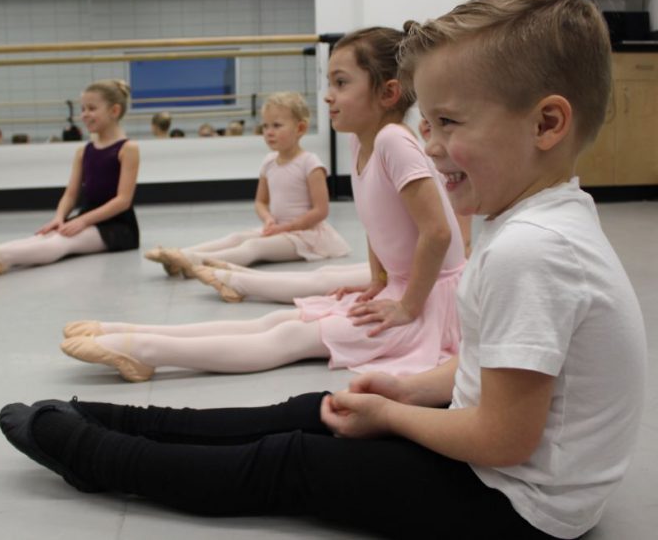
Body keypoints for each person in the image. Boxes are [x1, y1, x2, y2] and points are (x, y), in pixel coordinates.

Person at [0, 0, 646, 539]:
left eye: (450, 123)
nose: (433, 145)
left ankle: (97, 453)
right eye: (429, 123)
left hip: (519, 507)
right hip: (504, 466)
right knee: (312, 410)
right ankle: (112, 418)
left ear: (545, 124)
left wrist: (394, 414)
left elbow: (505, 438)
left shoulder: (532, 250)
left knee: (291, 461)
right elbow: (489, 370)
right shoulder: (531, 220)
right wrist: (407, 388)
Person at [63, 29, 464, 380]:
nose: (328, 95)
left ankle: (144, 352)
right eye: (329, 82)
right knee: (278, 318)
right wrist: (378, 280)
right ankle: (127, 330)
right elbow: (381, 224)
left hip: (431, 304)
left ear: (388, 92)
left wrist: (408, 307)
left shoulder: (395, 140)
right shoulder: (359, 140)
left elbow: (438, 231)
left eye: (341, 83)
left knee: (289, 337)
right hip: (401, 288)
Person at [0, 80, 140, 275]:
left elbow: (123, 200)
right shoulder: (83, 151)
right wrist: (59, 217)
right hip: (87, 217)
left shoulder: (128, 149)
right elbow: (71, 194)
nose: (84, 115)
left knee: (63, 241)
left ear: (114, 111)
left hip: (118, 226)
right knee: (43, 236)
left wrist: (83, 221)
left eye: (91, 108)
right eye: (82, 109)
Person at [145, 92, 350, 276]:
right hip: (277, 228)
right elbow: (260, 202)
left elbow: (321, 211)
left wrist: (287, 227)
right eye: (266, 126)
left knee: (254, 247)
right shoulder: (269, 162)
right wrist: (268, 218)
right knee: (237, 237)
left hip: (305, 236)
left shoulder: (310, 163)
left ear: (300, 128)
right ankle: (181, 254)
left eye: (277, 126)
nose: (269, 132)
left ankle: (193, 262)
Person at [194, 211, 471, 303]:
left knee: (323, 280)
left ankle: (235, 278)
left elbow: (453, 242)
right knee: (324, 276)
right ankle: (235, 273)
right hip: (408, 267)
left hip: (429, 274)